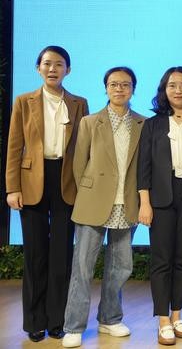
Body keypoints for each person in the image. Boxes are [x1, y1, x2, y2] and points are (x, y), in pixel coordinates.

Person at [4, 46, 89, 343]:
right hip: (31, 180)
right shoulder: (23, 101)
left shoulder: (79, 103)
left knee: (62, 255)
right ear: (38, 68)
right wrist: (12, 187)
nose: (53, 69)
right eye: (47, 64)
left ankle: (57, 321)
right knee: (35, 255)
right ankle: (34, 321)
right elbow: (14, 146)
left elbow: (83, 149)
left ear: (68, 70)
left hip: (67, 180)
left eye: (59, 64)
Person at [61, 66, 146, 348]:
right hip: (93, 201)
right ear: (106, 88)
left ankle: (110, 318)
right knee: (82, 267)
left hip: (127, 202)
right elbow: (78, 164)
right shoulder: (89, 122)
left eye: (125, 84)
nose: (119, 89)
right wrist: (90, 193)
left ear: (133, 88)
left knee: (120, 267)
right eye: (113, 84)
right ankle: (74, 326)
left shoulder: (143, 123)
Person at [137, 67, 182, 345]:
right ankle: (163, 319)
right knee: (162, 259)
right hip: (161, 196)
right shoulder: (152, 124)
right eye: (172, 85)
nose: (178, 90)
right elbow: (143, 167)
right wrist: (144, 203)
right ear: (164, 90)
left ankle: (177, 315)